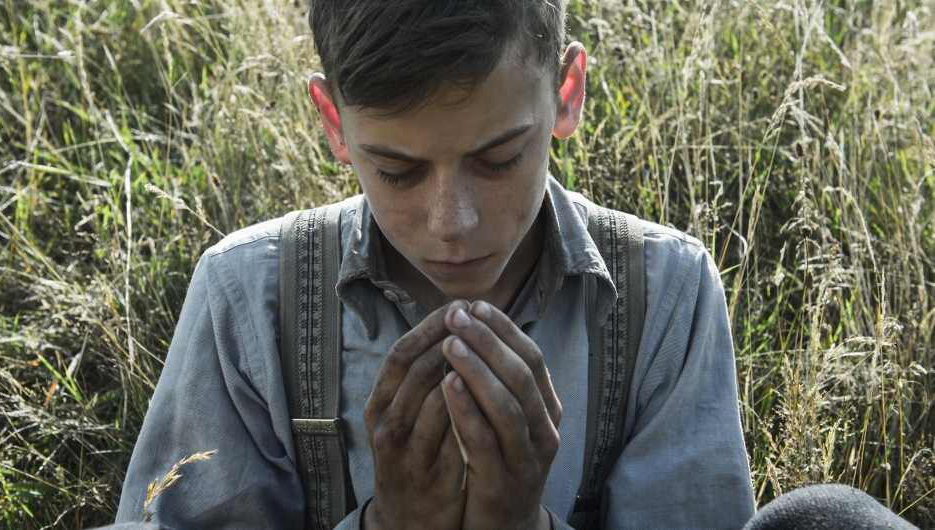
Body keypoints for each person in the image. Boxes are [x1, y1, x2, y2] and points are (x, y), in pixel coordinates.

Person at [116, 1, 756, 528]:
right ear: (334, 122)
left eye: (499, 159)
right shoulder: (250, 298)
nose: (452, 222)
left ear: (566, 92)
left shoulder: (665, 294)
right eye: (398, 171)